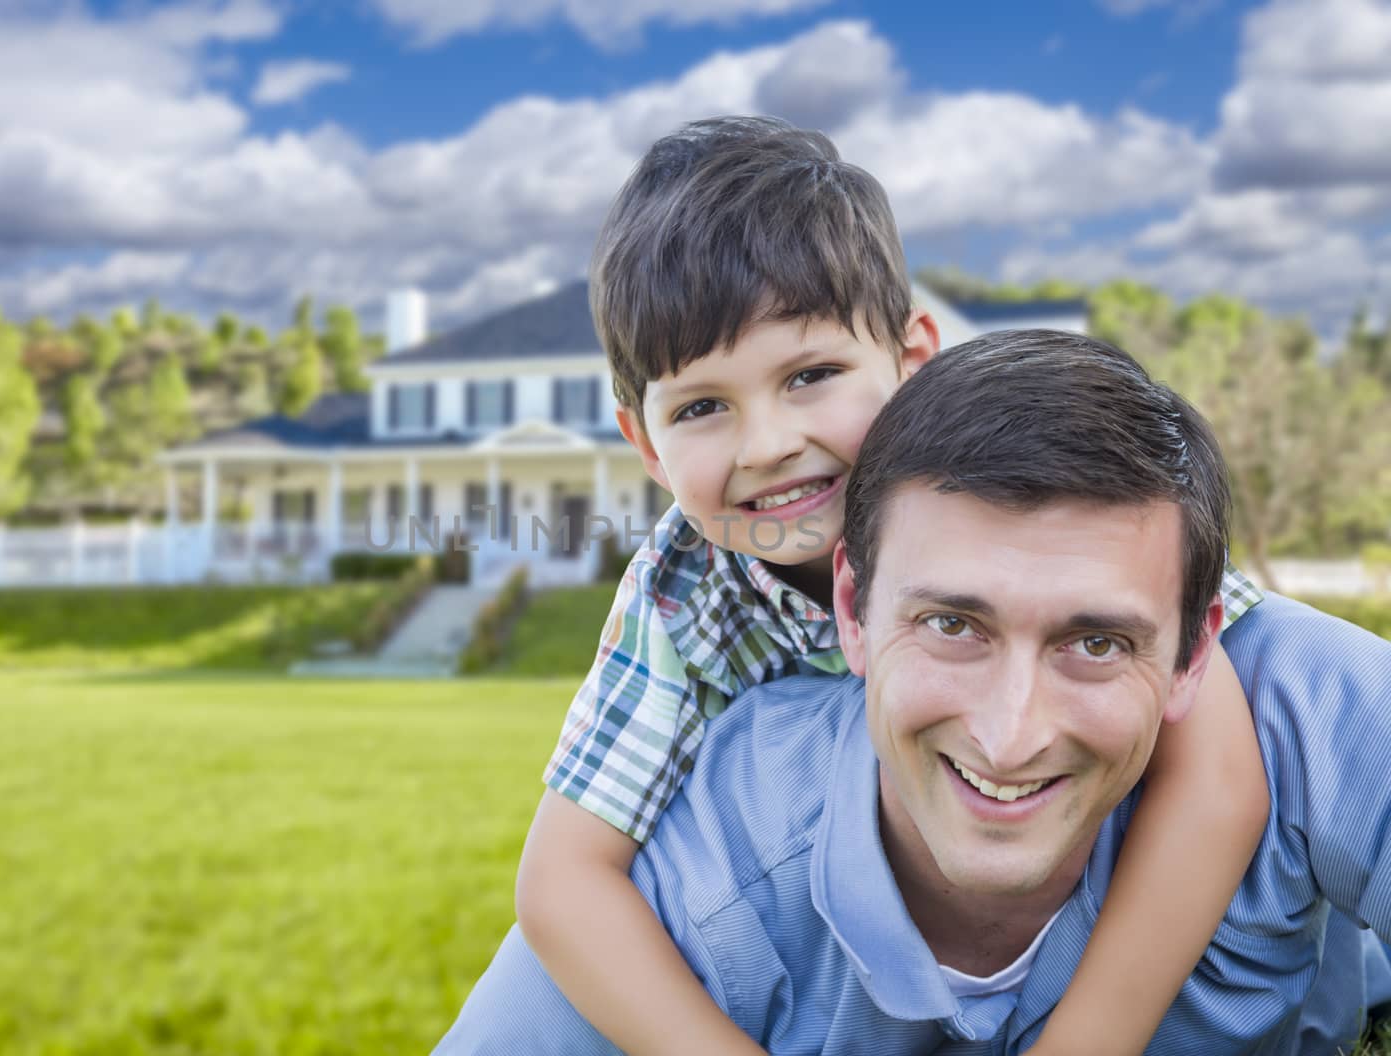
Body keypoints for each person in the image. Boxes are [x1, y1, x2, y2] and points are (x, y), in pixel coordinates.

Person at [512, 116, 1269, 1056]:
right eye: (703, 407)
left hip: (1091, 904)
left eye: (811, 375)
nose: (768, 445)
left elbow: (1220, 778)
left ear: (911, 358)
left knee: (1296, 677)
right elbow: (563, 881)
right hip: (859, 950)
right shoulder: (683, 593)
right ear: (646, 447)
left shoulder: (1033, 481)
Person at [437, 329, 1391, 1055]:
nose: (1010, 737)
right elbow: (561, 886)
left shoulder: (1296, 698)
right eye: (952, 625)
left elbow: (1227, 782)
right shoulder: (720, 849)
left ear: (1194, 650)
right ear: (849, 604)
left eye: (1095, 642)